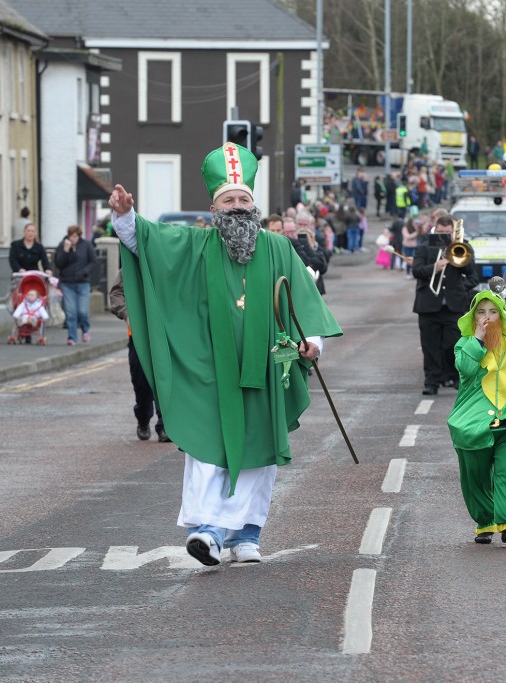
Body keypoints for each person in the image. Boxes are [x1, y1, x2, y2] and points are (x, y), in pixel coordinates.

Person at [108, 141, 342, 567]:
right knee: (207, 448)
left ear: (254, 204)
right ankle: (208, 531)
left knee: (258, 454)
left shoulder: (277, 247)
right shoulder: (197, 245)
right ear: (215, 207)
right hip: (211, 370)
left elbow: (303, 303)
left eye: (243, 199)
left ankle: (247, 534)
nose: (237, 206)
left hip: (268, 368)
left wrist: (313, 343)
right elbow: (149, 245)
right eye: (228, 200)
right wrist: (126, 217)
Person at [447, 290, 506, 544]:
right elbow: (466, 370)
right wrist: (478, 340)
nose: (487, 317)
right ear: (473, 317)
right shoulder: (464, 344)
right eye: (481, 312)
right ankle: (485, 521)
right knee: (475, 474)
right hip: (475, 419)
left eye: (492, 312)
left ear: (501, 316)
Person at [412, 215, 480, 395]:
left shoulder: (462, 247)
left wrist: (459, 288)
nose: (443, 235)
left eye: (447, 233)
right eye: (440, 232)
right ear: (434, 230)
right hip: (428, 306)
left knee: (453, 345)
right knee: (430, 347)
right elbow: (416, 271)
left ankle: (454, 377)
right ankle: (431, 382)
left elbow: (472, 275)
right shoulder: (424, 247)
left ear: (453, 232)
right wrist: (434, 268)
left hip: (453, 306)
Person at [108, 270, 168, 443]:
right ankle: (143, 418)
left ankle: (164, 426)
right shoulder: (131, 264)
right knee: (141, 384)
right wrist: (127, 314)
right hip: (138, 336)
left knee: (164, 379)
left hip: (164, 335)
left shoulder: (167, 259)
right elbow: (117, 293)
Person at [54, 224, 97, 346]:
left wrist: (85, 272)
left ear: (79, 235)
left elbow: (94, 262)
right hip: (67, 283)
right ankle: (72, 337)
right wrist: (66, 251)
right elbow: (58, 264)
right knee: (71, 312)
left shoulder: (87, 245)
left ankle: (85, 329)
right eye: (70, 236)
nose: (72, 238)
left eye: (74, 236)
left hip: (83, 283)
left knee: (82, 311)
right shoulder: (63, 245)